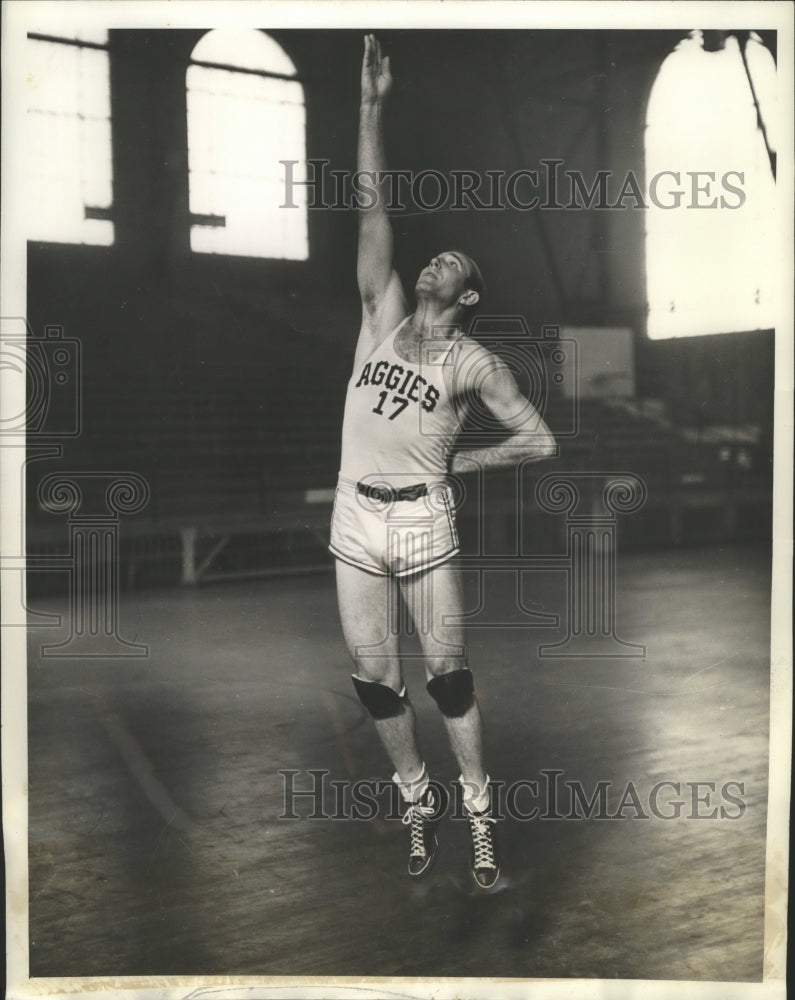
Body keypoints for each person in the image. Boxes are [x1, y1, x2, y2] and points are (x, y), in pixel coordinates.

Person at [329, 34, 556, 890]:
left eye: (450, 265)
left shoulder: (473, 363)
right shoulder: (381, 314)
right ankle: (415, 797)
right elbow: (371, 206)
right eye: (432, 256)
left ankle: (478, 815)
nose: (432, 261)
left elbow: (538, 439)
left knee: (447, 678)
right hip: (356, 512)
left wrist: (463, 469)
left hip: (422, 517)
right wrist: (369, 107)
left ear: (465, 298)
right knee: (372, 679)